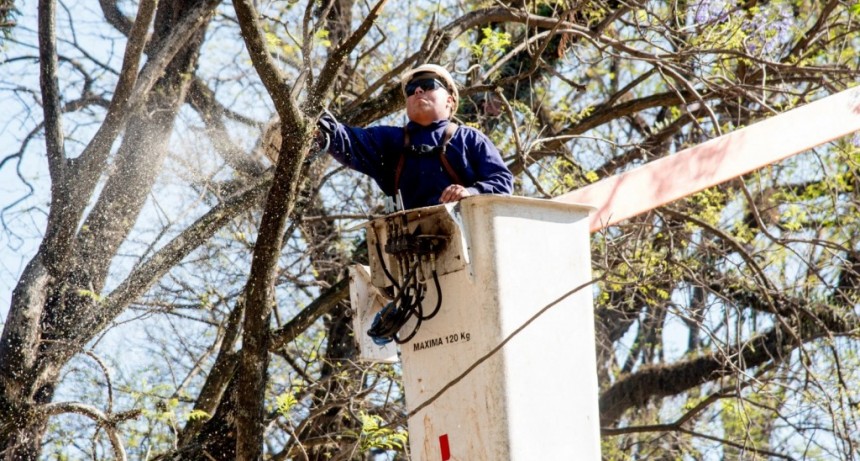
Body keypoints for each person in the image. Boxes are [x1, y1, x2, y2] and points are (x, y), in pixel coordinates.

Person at [319, 64, 514, 210]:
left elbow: (502, 182)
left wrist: (471, 193)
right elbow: (346, 139)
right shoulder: (389, 140)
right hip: (410, 249)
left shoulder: (468, 139)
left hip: (468, 241)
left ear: (450, 100)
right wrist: (318, 124)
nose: (418, 91)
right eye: (412, 90)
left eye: (428, 85)